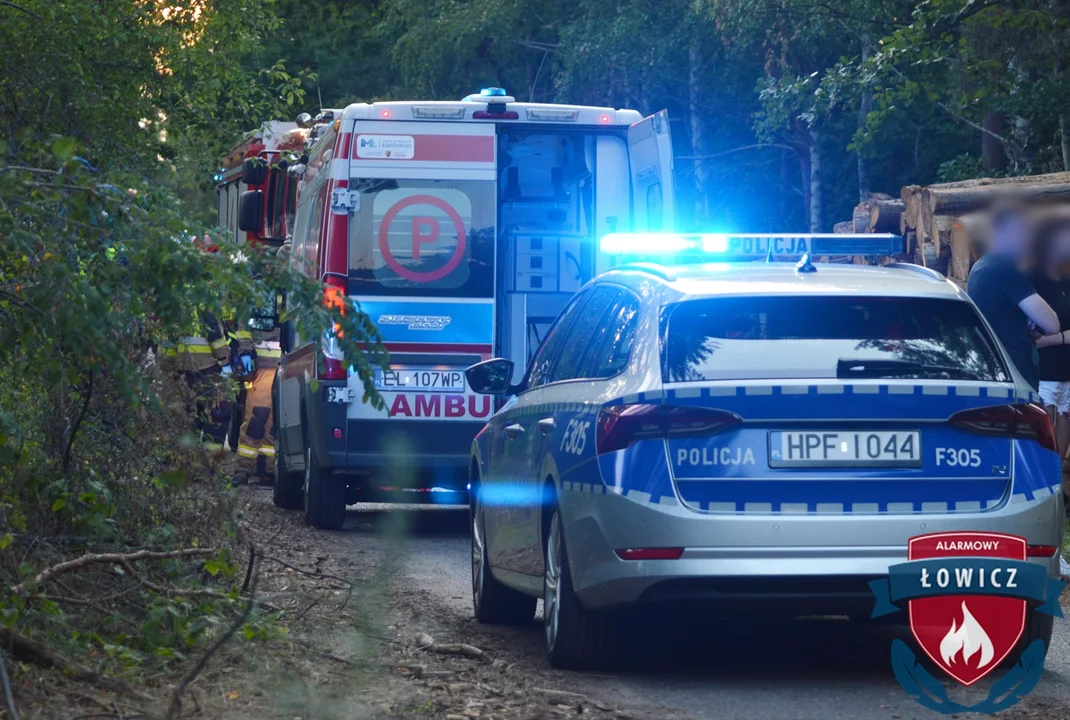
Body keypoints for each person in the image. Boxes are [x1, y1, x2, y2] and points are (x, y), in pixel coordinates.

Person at [966, 201, 1060, 390]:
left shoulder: (982, 266)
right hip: (1015, 372)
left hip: (993, 368)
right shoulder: (1006, 269)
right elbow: (1052, 324)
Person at [1031, 210, 1070, 516]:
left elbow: (1046, 334)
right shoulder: (1033, 278)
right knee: (1044, 427)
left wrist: (1056, 338)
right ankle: (1043, 493)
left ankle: (1056, 493)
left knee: (1064, 427)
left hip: (1067, 369)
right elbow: (1031, 332)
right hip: (1043, 371)